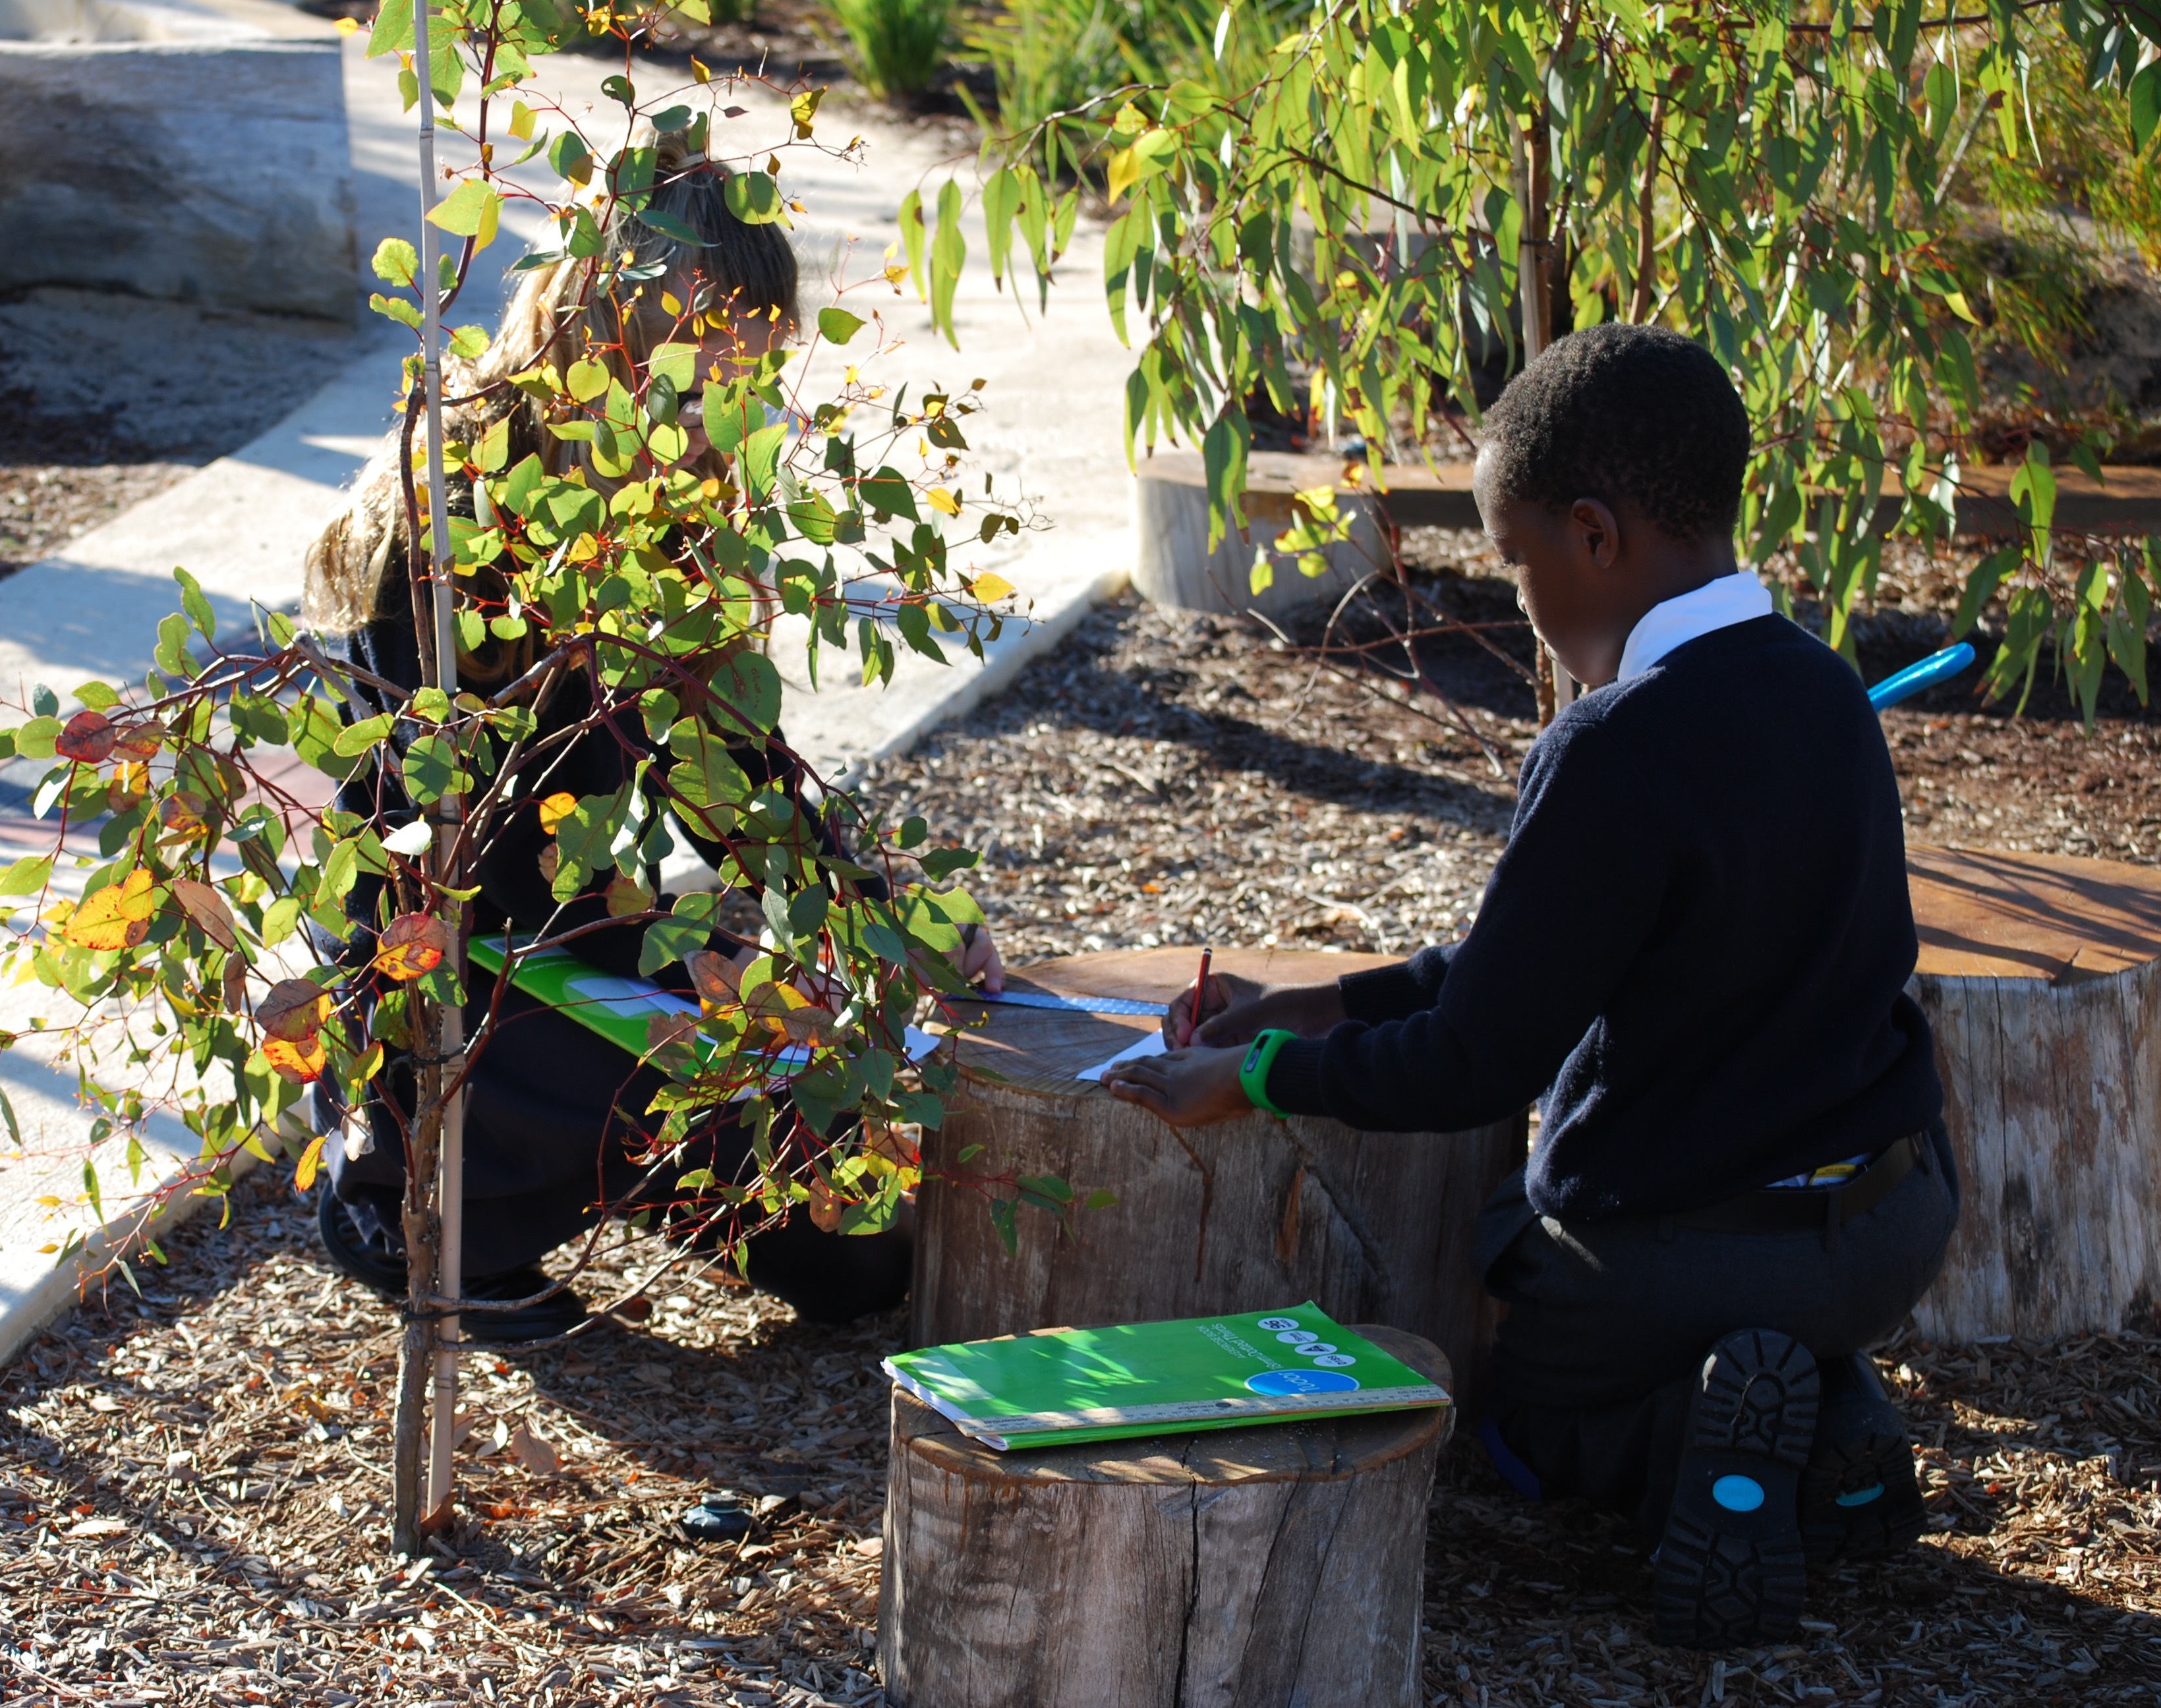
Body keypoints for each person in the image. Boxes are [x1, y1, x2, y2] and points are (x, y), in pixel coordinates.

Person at [1101, 324, 1955, 1649]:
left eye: (1517, 561)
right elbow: (1520, 976)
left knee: (1516, 1424)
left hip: (1693, 1261)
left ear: (1596, 536)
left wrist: (1253, 1076)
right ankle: (1833, 1428)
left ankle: (1695, 1440)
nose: (1519, 601)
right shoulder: (1823, 690)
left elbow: (1476, 1064)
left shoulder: (1614, 743)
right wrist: (1306, 1007)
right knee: (1725, 1319)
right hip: (1887, 1230)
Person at [298, 134, 1003, 1343]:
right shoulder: (449, 529)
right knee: (590, 1109)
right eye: (721, 366)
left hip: (593, 954)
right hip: (454, 970)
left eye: (760, 367)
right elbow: (419, 866)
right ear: (617, 340)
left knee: (861, 1257)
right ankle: (390, 1190)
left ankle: (593, 1135)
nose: (750, 404)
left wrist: (887, 918)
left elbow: (739, 779)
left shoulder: (670, 526)